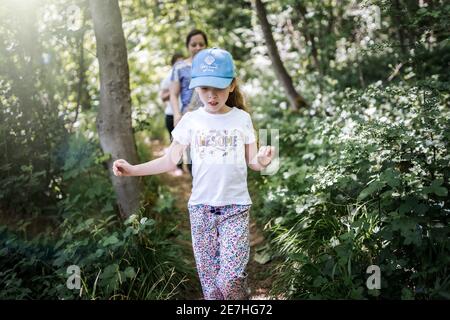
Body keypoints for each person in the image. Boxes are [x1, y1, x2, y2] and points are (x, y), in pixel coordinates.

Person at [112, 48, 276, 300]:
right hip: (201, 210)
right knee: (211, 290)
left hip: (236, 207)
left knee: (230, 280)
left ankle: (242, 296)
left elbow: (253, 162)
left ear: (232, 86)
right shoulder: (190, 121)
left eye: (218, 87)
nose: (211, 95)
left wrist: (263, 160)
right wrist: (132, 169)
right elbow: (169, 160)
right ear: (196, 87)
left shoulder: (241, 119)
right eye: (204, 88)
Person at [170, 29, 208, 175]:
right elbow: (173, 94)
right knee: (192, 156)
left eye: (201, 44)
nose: (198, 47)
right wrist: (176, 115)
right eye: (194, 44)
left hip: (210, 116)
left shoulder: (212, 66)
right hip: (189, 115)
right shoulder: (179, 67)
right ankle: (197, 189)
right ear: (188, 47)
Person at [160, 52, 184, 176]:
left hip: (186, 114)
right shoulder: (168, 78)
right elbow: (162, 97)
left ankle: (192, 170)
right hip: (171, 115)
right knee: (175, 142)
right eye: (177, 63)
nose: (180, 65)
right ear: (173, 64)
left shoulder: (188, 74)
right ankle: (178, 167)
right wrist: (173, 91)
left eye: (182, 62)